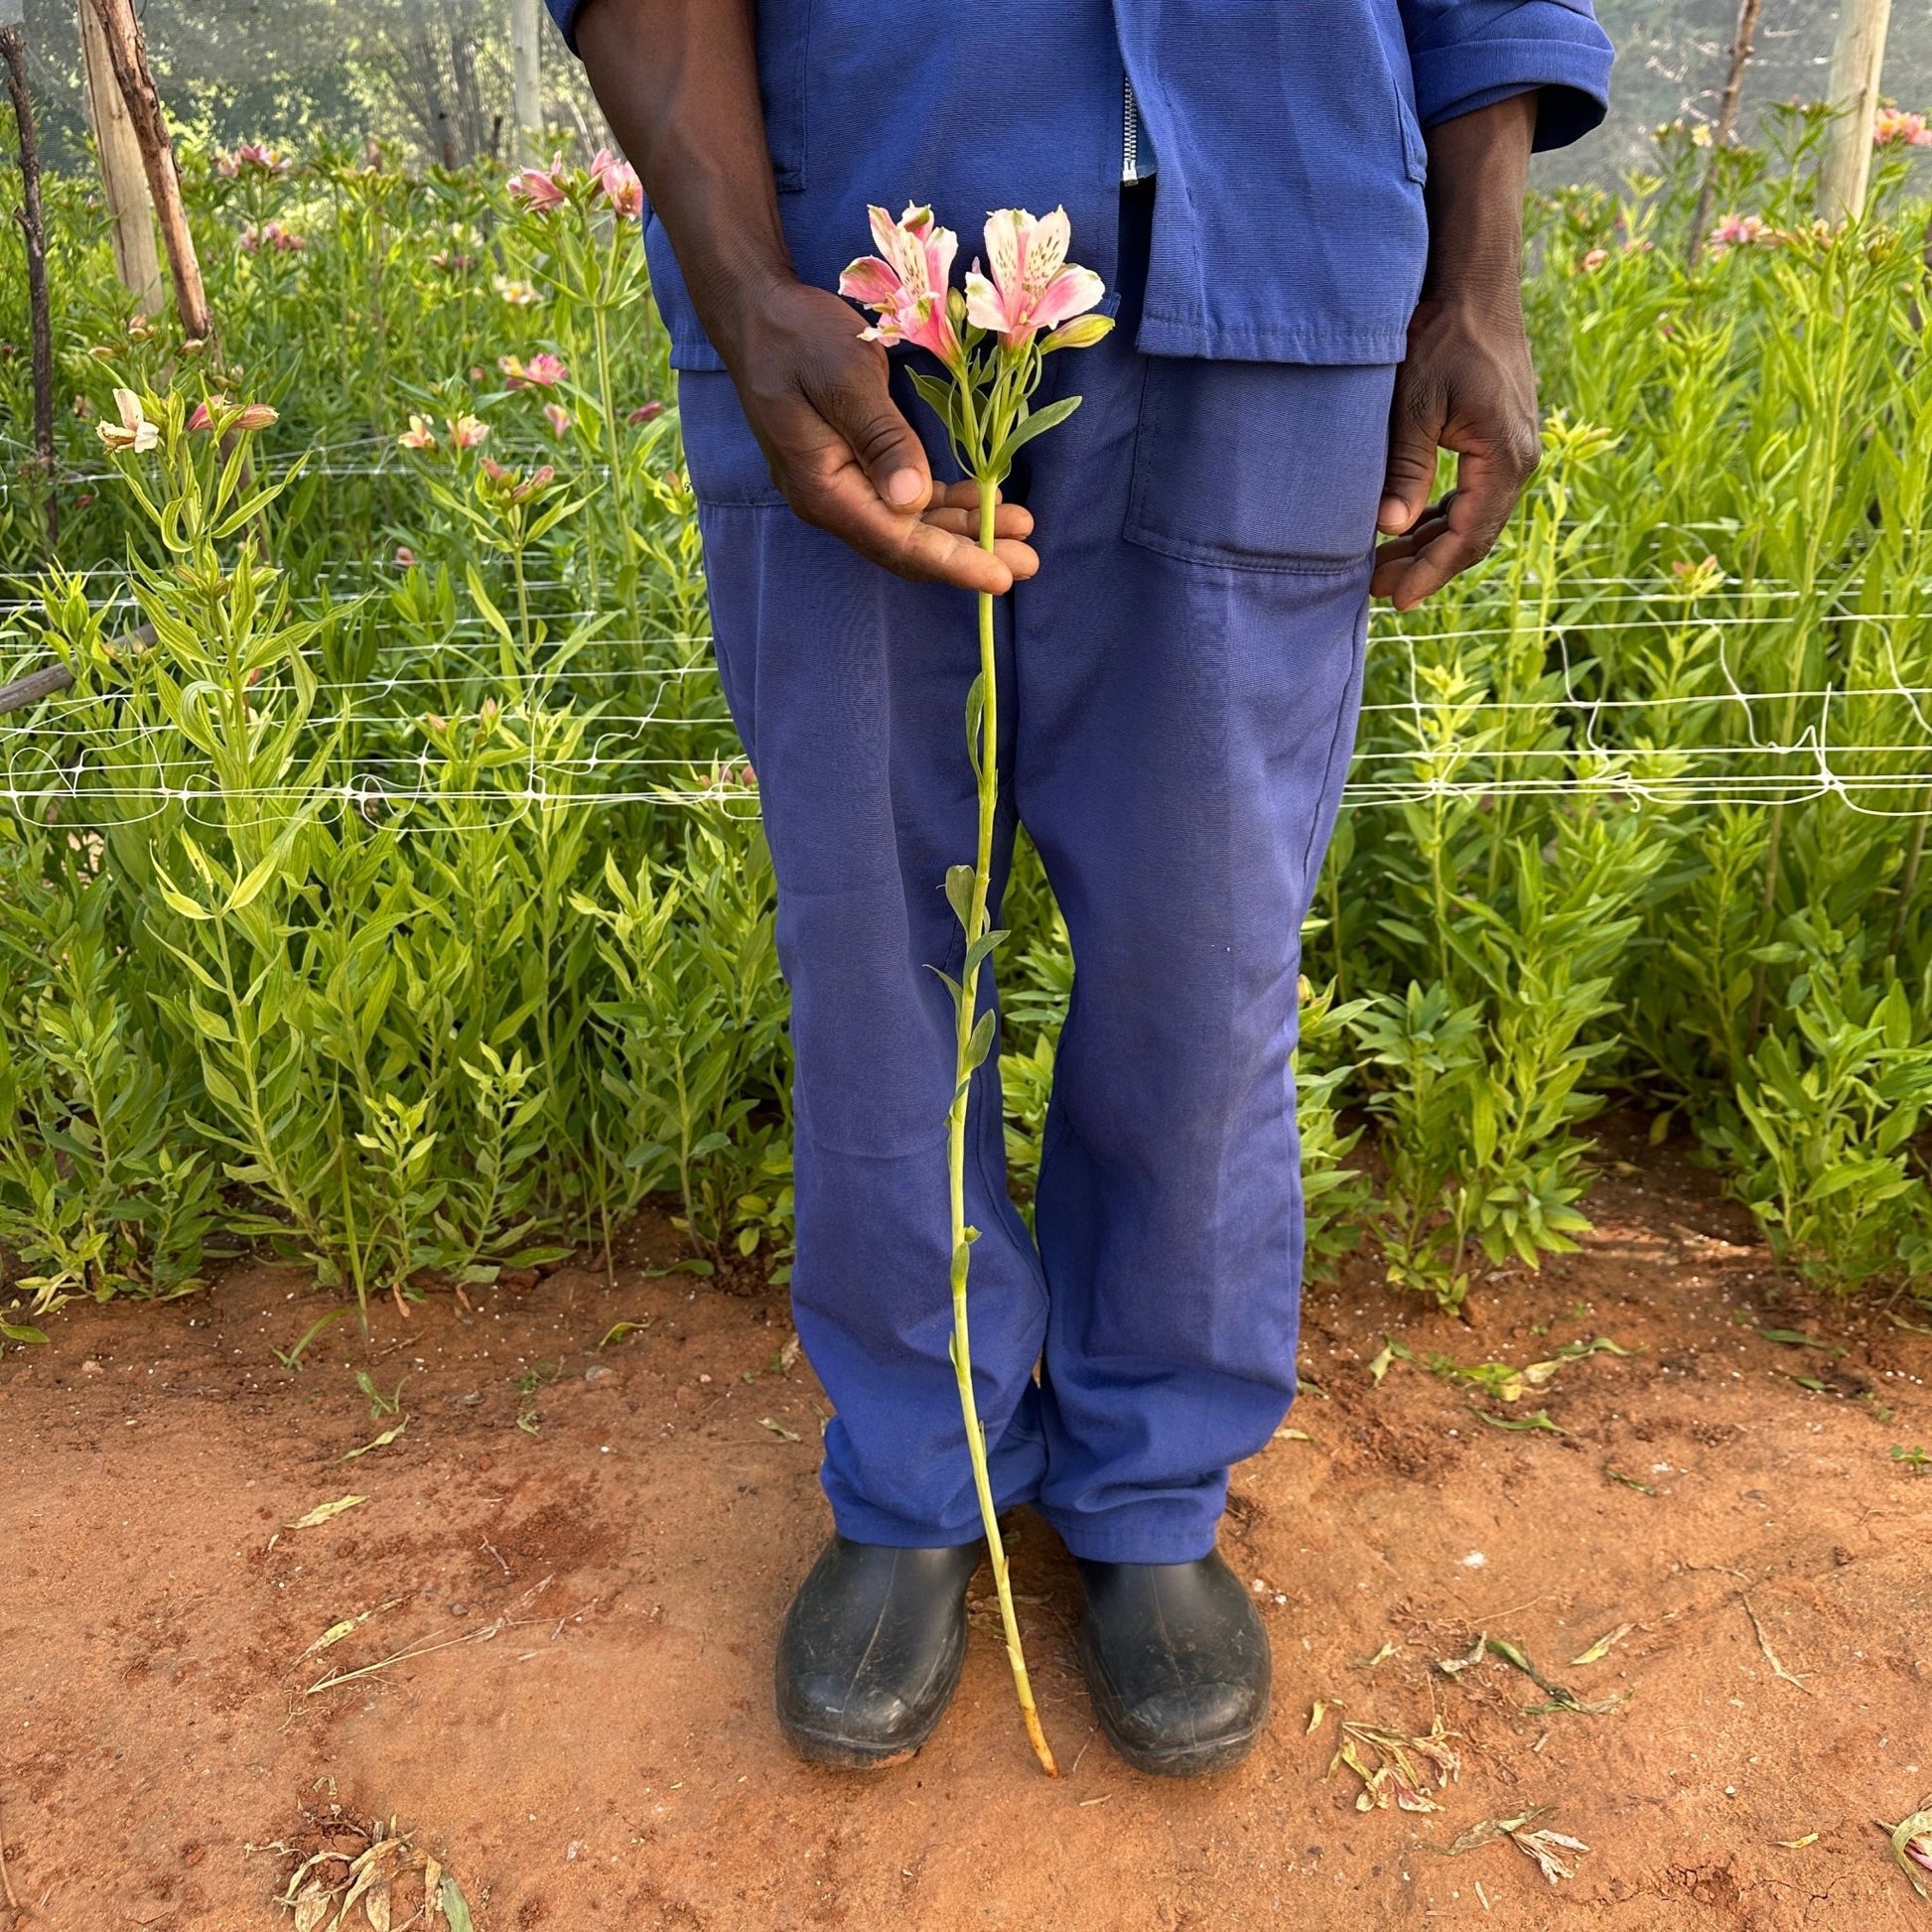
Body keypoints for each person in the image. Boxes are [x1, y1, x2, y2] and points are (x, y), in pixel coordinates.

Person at [550, 0, 1612, 1777]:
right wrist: (738, 278)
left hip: (1272, 265)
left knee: (1205, 947)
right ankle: (919, 1463)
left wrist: (1477, 277)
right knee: (868, 929)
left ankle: (1147, 1480)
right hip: (851, 289)